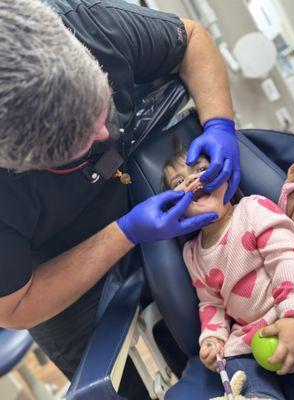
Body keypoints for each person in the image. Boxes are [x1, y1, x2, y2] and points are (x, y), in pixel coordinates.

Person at [0, 0, 240, 398]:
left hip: (143, 184)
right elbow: (14, 305)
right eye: (80, 146)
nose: (104, 135)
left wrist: (219, 124)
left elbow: (193, 40)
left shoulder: (88, 24)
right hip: (54, 273)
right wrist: (125, 233)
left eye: (101, 110)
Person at [162, 149, 294, 399]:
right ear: (176, 210)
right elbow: (212, 303)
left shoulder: (253, 209)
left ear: (227, 178)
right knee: (236, 364)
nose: (193, 180)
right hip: (250, 338)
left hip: (291, 310)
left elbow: (287, 259)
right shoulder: (192, 254)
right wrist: (213, 339)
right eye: (178, 182)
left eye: (202, 170)